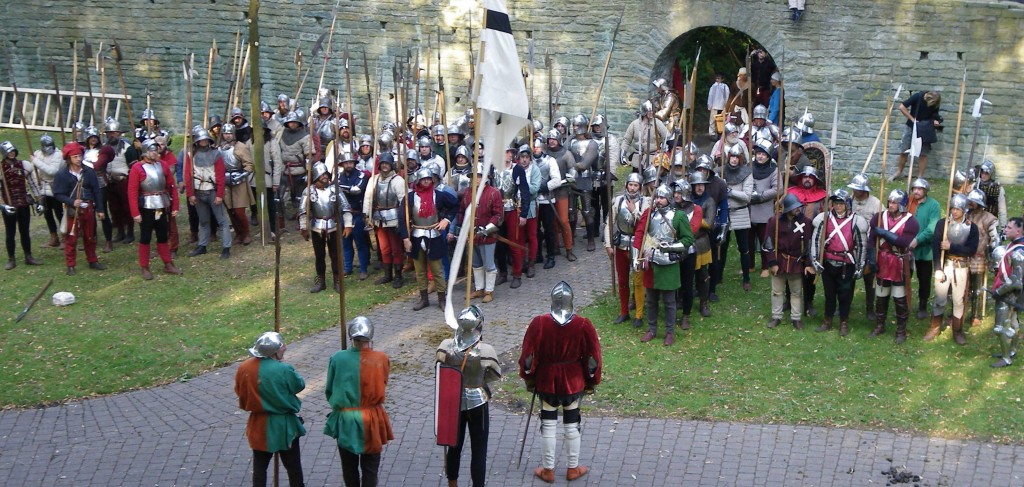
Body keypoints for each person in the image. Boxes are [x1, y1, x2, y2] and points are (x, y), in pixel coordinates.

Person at [519, 282, 602, 483]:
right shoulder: (583, 324)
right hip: (572, 380)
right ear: (571, 301)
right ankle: (573, 468)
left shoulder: (539, 323)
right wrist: (592, 380)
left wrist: (529, 377)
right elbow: (593, 359)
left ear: (552, 301)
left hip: (547, 379)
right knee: (572, 424)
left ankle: (548, 470)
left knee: (548, 424)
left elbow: (527, 358)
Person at [324, 317, 394, 487]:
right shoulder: (381, 358)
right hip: (371, 419)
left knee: (349, 468)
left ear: (351, 337)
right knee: (370, 469)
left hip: (347, 419)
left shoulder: (337, 358)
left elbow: (330, 390)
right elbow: (383, 381)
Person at [436, 306, 501, 487]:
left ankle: (452, 483)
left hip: (453, 401)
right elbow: (495, 375)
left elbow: (441, 369)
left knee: (454, 446)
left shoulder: (445, 347)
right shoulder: (486, 351)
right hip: (477, 401)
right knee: (479, 450)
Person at [234, 332, 306, 487]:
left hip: (258, 424)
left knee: (260, 468)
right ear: (274, 351)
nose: (284, 348)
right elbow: (299, 385)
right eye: (282, 347)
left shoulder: (244, 367)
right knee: (293, 468)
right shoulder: (284, 369)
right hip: (283, 425)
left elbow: (239, 391)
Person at [633, 184, 695, 345]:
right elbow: (639, 235)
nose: (658, 200)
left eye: (661, 198)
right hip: (651, 262)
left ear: (668, 199)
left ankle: (669, 332)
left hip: (668, 263)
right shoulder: (649, 214)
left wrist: (671, 247)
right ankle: (652, 329)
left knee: (669, 301)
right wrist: (636, 258)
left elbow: (688, 239)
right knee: (651, 300)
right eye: (657, 197)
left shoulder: (678, 216)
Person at [809, 189, 868, 335]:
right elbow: (816, 240)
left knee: (845, 295)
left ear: (847, 204)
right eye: (835, 203)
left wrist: (860, 265)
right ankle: (827, 320)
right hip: (828, 262)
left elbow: (861, 245)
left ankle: (843, 322)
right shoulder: (824, 218)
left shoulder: (856, 221)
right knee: (829, 294)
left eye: (841, 203)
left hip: (847, 264)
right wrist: (815, 260)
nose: (838, 206)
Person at [398, 167, 457, 310]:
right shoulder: (409, 198)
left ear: (432, 180)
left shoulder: (439, 195)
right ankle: (424, 299)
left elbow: (455, 205)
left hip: (434, 235)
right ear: (418, 181)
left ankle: (442, 299)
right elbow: (402, 218)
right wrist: (405, 238)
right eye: (423, 179)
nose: (426, 181)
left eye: (428, 179)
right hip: (416, 236)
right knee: (420, 271)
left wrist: (447, 220)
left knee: (437, 270)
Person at [868, 189, 920, 343]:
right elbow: (871, 240)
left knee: (899, 297)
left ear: (901, 204)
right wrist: (872, 259)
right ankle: (880, 325)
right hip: (882, 260)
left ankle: (901, 330)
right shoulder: (879, 217)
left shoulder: (911, 222)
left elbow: (903, 242)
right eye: (890, 202)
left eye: (895, 203)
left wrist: (884, 233)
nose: (891, 205)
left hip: (899, 262)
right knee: (881, 295)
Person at [926, 194, 979, 344]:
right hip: (945, 265)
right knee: (940, 298)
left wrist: (951, 247)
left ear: (964, 210)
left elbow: (971, 250)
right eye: (952, 208)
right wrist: (938, 268)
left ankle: (957, 331)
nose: (954, 211)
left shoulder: (971, 227)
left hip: (961, 267)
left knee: (958, 300)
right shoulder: (943, 224)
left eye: (957, 209)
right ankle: (934, 328)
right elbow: (936, 247)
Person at [127, 139, 183, 280]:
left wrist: (175, 205)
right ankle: (144, 266)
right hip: (146, 206)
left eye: (156, 150)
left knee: (163, 235)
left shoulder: (162, 165)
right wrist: (135, 213)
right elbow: (132, 192)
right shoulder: (137, 168)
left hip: (162, 204)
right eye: (151, 150)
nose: (154, 153)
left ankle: (168, 263)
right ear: (145, 152)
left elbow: (171, 186)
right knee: (145, 237)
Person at [299, 162, 354, 293]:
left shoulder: (335, 189)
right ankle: (321, 282)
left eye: (325, 174)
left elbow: (346, 207)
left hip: (333, 226)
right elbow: (303, 211)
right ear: (316, 176)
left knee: (335, 255)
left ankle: (338, 281)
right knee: (319, 256)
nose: (324, 176)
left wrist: (348, 225)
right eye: (321, 174)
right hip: (317, 227)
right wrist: (304, 228)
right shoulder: (309, 191)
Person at [53, 142, 106, 275]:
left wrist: (100, 209)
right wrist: (72, 201)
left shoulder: (89, 172)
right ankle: (70, 265)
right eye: (75, 157)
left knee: (90, 236)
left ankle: (92, 260)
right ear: (69, 158)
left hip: (88, 208)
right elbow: (58, 194)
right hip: (73, 211)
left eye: (80, 156)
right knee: (71, 238)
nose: (78, 159)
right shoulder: (62, 174)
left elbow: (96, 191)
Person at [605, 173, 650, 325]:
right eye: (630, 185)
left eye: (635, 185)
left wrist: (634, 211)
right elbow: (609, 223)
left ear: (640, 187)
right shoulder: (618, 201)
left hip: (638, 245)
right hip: (621, 244)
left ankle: (639, 315)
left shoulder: (646, 202)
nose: (632, 188)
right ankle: (624, 312)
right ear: (626, 185)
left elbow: (646, 224)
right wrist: (608, 244)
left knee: (638, 281)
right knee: (623, 280)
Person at [455, 163, 503, 303]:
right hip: (471, 235)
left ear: (485, 177)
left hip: (487, 235)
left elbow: (498, 215)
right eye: (474, 176)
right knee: (476, 263)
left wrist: (486, 229)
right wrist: (462, 229)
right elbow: (462, 211)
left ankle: (489, 291)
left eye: (479, 176)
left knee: (489, 264)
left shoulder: (493, 193)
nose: (476, 179)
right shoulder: (467, 193)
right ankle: (479, 288)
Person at [764, 193, 812, 329]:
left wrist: (807, 264)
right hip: (779, 260)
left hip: (796, 262)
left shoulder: (806, 222)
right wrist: (772, 262)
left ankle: (796, 318)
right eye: (794, 207)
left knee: (796, 292)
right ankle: (776, 316)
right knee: (777, 291)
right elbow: (768, 243)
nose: (798, 209)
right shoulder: (774, 221)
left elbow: (808, 245)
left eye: (798, 206)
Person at [184, 127, 232, 259]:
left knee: (222, 221)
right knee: (203, 221)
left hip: (212, 191)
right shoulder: (191, 155)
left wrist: (220, 195)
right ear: (197, 141)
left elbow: (220, 176)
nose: (203, 141)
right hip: (198, 192)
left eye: (205, 139)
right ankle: (202, 245)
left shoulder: (216, 154)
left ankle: (226, 247)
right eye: (201, 140)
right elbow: (188, 176)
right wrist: (190, 194)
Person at [787, 165, 827, 317]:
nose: (807, 179)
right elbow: (780, 211)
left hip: (812, 238)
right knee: (789, 267)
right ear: (800, 178)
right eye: (805, 177)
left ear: (815, 180)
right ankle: (788, 299)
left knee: (810, 271)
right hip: (792, 237)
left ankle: (809, 302)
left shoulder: (823, 197)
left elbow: (826, 218)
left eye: (811, 177)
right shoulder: (791, 193)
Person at [364, 153, 407, 288]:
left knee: (396, 249)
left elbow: (403, 201)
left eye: (387, 163)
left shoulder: (398, 181)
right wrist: (367, 215)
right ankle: (388, 275)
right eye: (382, 163)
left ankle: (398, 276)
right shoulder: (374, 180)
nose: (384, 166)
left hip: (394, 219)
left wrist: (403, 220)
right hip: (379, 219)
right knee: (384, 249)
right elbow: (368, 198)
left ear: (391, 165)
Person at [1, 141, 43, 270]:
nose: (12, 153)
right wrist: (3, 205)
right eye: (9, 152)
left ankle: (28, 256)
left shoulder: (24, 165)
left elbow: (33, 184)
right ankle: (11, 259)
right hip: (9, 205)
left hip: (23, 203)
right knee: (10, 233)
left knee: (25, 231)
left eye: (13, 151)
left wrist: (39, 201)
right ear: (4, 153)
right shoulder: (1, 169)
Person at [493, 145, 532, 286]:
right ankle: (503, 273)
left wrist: (524, 214)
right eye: (506, 152)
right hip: (497, 210)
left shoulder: (517, 169)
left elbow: (525, 192)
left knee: (514, 243)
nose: (509, 155)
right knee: (499, 244)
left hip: (512, 209)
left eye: (510, 152)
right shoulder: (492, 169)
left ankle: (517, 274)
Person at [847, 173, 881, 319]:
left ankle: (870, 308)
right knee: (848, 278)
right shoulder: (849, 201)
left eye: (858, 189)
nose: (855, 191)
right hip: (851, 245)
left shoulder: (876, 203)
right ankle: (845, 306)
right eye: (854, 188)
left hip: (869, 245)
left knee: (869, 278)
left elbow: (882, 224)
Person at [990, 219, 1024, 368]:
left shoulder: (1018, 252)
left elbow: (1016, 281)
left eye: (1009, 228)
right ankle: (1012, 350)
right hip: (1012, 292)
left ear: (1018, 231)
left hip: (1010, 293)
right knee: (1014, 322)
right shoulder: (1013, 245)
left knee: (1000, 327)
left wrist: (999, 291)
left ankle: (1006, 358)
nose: (1006, 230)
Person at [721, 144, 754, 291]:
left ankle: (746, 278)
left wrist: (729, 191)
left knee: (744, 248)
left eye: (737, 157)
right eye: (732, 156)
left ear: (741, 159)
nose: (734, 159)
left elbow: (747, 197)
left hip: (741, 213)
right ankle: (718, 276)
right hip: (725, 213)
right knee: (722, 247)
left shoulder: (747, 173)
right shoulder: (721, 171)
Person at [965, 189, 1000, 326]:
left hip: (978, 257)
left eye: (973, 201)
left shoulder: (988, 218)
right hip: (963, 255)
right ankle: (958, 312)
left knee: (978, 288)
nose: (970, 203)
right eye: (970, 201)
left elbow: (995, 239)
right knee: (961, 286)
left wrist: (991, 256)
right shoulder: (965, 215)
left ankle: (976, 315)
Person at [891, 91, 943, 180]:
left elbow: (934, 114)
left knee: (923, 153)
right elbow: (902, 107)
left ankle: (920, 177)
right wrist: (912, 119)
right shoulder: (917, 97)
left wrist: (936, 120)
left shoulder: (935, 101)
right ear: (928, 98)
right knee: (904, 150)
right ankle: (899, 172)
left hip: (925, 129)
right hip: (911, 127)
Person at [908, 178, 940, 320]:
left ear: (925, 191)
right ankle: (904, 304)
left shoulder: (934, 205)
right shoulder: (908, 201)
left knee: (924, 279)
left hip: (924, 250)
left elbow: (932, 228)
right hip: (906, 248)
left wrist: (918, 240)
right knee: (904, 277)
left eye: (920, 189)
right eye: (914, 188)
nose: (916, 191)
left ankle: (922, 306)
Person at [98, 118, 134, 245]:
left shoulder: (128, 148)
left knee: (127, 208)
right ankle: (120, 232)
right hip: (109, 182)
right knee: (114, 209)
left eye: (115, 133)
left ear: (119, 133)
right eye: (110, 133)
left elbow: (133, 167)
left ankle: (130, 232)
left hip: (123, 181)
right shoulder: (104, 148)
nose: (112, 135)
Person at [336, 151, 371, 280]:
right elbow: (334, 190)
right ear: (342, 164)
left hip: (357, 213)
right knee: (346, 242)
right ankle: (347, 267)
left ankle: (363, 269)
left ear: (354, 163)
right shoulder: (338, 177)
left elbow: (357, 190)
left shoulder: (361, 175)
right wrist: (346, 188)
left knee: (360, 243)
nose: (349, 165)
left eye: (351, 162)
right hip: (343, 214)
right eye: (346, 163)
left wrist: (342, 188)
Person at [544, 129, 577, 261]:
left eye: (554, 139)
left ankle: (569, 248)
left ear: (558, 140)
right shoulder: (544, 154)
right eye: (549, 139)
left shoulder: (566, 154)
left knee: (563, 220)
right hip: (548, 191)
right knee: (552, 222)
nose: (551, 141)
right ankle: (555, 246)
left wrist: (567, 179)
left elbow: (573, 171)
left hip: (562, 190)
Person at [220, 123, 255, 246]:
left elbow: (249, 165)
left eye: (230, 133)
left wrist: (241, 176)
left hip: (239, 182)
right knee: (230, 210)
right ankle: (238, 233)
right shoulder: (220, 147)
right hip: (225, 182)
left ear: (234, 134)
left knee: (239, 211)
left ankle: (246, 233)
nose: (227, 135)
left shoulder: (241, 147)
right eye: (225, 133)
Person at [749, 139, 779, 278]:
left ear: (768, 156)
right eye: (758, 153)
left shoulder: (774, 170)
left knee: (765, 241)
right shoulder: (749, 168)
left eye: (763, 154)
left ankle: (765, 266)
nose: (760, 156)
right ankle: (750, 265)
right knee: (749, 241)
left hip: (765, 210)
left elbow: (777, 189)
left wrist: (761, 196)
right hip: (750, 209)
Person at [30, 135, 65, 249]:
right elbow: (34, 170)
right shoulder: (38, 154)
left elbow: (52, 171)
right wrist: (37, 183)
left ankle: (64, 237)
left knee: (59, 213)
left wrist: (35, 161)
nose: (48, 148)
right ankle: (54, 237)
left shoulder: (58, 155)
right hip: (44, 188)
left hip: (56, 187)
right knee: (47, 213)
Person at [620, 101, 667, 171]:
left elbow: (667, 138)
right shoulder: (635, 124)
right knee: (636, 177)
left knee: (651, 177)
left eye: (652, 111)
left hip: (652, 159)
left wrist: (662, 150)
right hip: (637, 159)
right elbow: (626, 140)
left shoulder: (657, 123)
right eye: (649, 111)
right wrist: (622, 155)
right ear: (644, 112)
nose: (652, 113)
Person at [975, 160, 1007, 227]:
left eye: (986, 173)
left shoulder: (998, 189)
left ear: (991, 174)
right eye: (982, 172)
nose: (984, 175)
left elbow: (1002, 209)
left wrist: (1003, 227)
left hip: (990, 221)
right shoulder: (975, 186)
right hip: (975, 219)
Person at [707, 73, 729, 137]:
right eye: (716, 78)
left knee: (722, 120)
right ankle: (712, 133)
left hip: (722, 106)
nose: (717, 80)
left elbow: (727, 96)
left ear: (722, 79)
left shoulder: (725, 86)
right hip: (714, 106)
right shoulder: (713, 86)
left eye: (719, 78)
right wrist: (709, 105)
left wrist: (726, 106)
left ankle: (721, 132)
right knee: (712, 120)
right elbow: (710, 96)